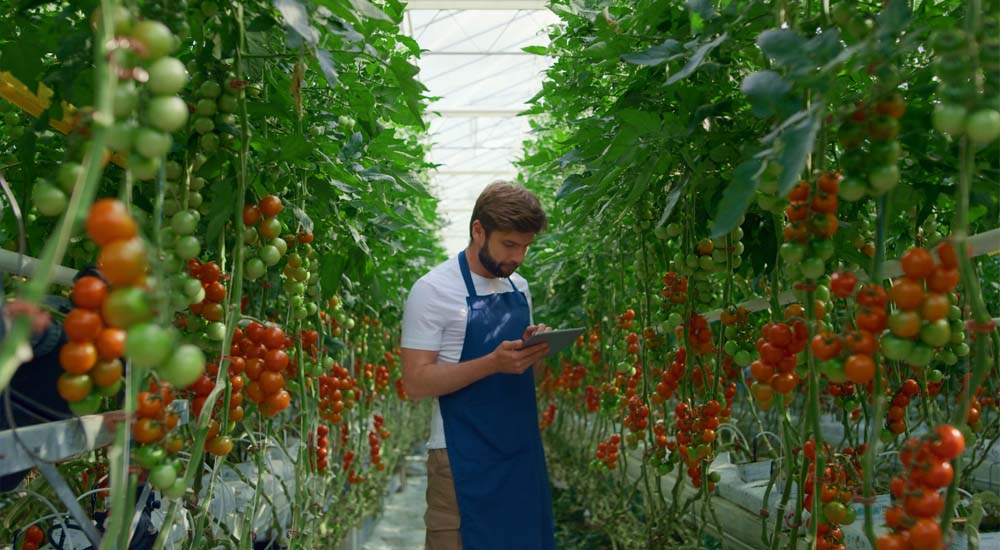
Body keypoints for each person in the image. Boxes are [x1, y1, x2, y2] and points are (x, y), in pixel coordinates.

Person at [401, 181, 556, 550]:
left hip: (520, 453)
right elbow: (415, 383)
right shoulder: (433, 290)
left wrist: (535, 352)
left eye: (525, 246)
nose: (518, 257)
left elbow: (530, 380)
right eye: (509, 244)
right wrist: (491, 363)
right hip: (459, 459)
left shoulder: (519, 287)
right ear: (478, 230)